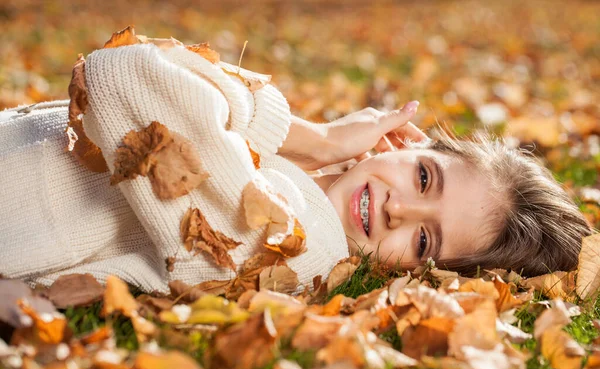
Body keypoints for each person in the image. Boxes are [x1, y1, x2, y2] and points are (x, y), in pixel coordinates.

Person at [0, 38, 592, 293]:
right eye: (424, 179)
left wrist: (316, 137)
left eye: (423, 240)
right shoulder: (285, 179)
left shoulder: (297, 249)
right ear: (399, 143)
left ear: (416, 276)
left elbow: (120, 74)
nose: (397, 209)